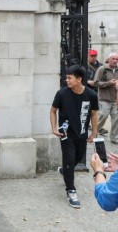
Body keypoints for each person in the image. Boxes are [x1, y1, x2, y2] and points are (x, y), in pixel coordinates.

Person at [50, 64, 98, 209]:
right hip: (65, 133)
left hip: (82, 133)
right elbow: (53, 111)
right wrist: (53, 128)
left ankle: (65, 170)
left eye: (70, 78)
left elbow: (94, 114)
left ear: (79, 79)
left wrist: (94, 132)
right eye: (66, 77)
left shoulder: (91, 95)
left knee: (77, 158)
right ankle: (71, 191)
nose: (67, 80)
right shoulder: (62, 94)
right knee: (70, 159)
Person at [93, 52, 118, 143]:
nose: (115, 61)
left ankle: (114, 138)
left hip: (116, 100)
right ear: (109, 59)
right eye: (113, 59)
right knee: (103, 116)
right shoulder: (102, 69)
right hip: (104, 98)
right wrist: (108, 83)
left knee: (116, 119)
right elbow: (95, 83)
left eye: (117, 59)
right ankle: (94, 133)